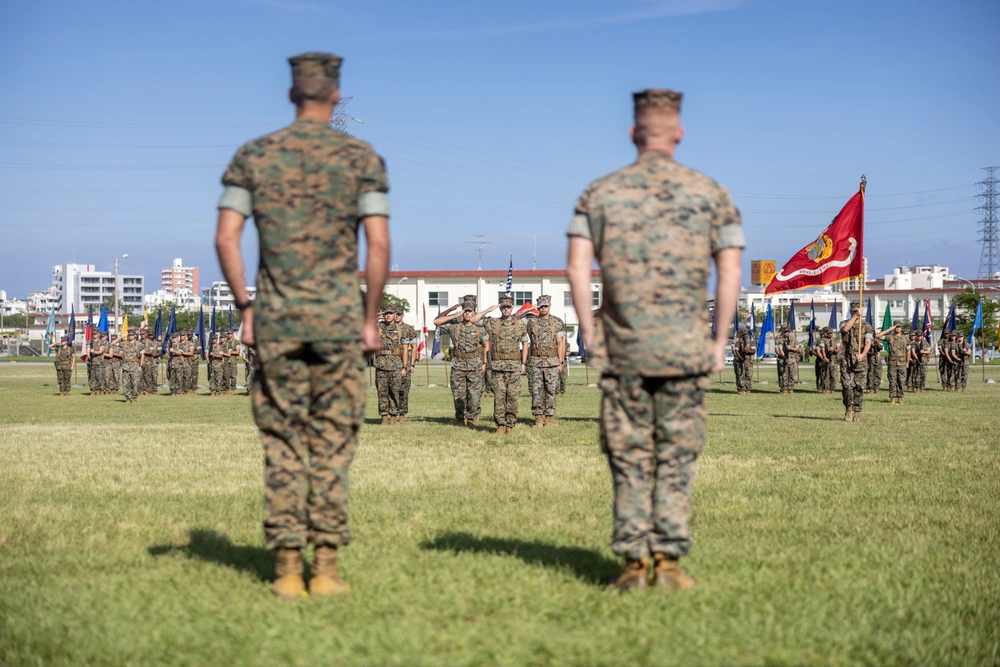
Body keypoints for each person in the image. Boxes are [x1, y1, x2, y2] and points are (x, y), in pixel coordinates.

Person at [215, 51, 390, 599]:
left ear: (292, 95)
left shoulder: (254, 156)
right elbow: (379, 244)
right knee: (333, 443)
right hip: (339, 322)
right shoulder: (362, 157)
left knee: (284, 442)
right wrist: (368, 318)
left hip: (277, 322)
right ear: (336, 95)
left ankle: (288, 569)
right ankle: (328, 567)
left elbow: (226, 238)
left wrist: (249, 309)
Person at [567, 88, 743, 591]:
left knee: (628, 457)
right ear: (679, 133)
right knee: (676, 455)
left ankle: (632, 564)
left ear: (632, 133)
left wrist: (588, 331)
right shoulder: (711, 192)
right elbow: (729, 273)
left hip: (622, 351)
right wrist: (719, 339)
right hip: (685, 351)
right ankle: (668, 560)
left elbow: (578, 267)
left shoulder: (599, 192)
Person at [472, 295, 529, 433]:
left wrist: (523, 362)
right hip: (497, 367)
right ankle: (500, 425)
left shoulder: (519, 324)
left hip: (514, 366)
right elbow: (473, 319)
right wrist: (489, 309)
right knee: (499, 397)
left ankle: (510, 425)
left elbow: (525, 344)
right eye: (503, 307)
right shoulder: (493, 323)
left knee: (513, 396)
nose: (505, 309)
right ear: (501, 308)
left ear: (512, 308)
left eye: (508, 307)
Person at [434, 297, 490, 425]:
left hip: (475, 364)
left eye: (469, 311)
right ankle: (460, 418)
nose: (467, 313)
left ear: (474, 312)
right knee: (458, 393)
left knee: (474, 394)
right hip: (458, 364)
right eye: (465, 311)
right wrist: (454, 313)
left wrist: (485, 362)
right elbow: (436, 321)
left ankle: (472, 417)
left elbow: (486, 345)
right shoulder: (454, 327)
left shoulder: (479, 328)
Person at [525, 295, 565, 426]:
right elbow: (516, 318)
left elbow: (560, 344)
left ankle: (549, 416)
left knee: (551, 389)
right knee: (536, 390)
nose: (543, 308)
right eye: (541, 306)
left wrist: (561, 362)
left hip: (552, 361)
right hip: (535, 361)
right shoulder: (531, 321)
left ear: (550, 306)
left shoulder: (557, 322)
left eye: (545, 306)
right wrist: (531, 309)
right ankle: (538, 416)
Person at [840, 302, 874, 421]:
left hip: (860, 361)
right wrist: (854, 316)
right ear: (851, 312)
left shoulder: (867, 326)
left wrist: (863, 354)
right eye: (853, 311)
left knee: (859, 387)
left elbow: (868, 342)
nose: (856, 313)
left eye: (858, 311)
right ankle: (848, 409)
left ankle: (857, 412)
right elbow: (845, 330)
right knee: (847, 386)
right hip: (846, 360)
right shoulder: (844, 323)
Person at [374, 304, 405, 425]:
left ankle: (393, 416)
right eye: (386, 313)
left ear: (394, 315)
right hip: (381, 365)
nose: (388, 316)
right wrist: (379, 315)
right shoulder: (379, 326)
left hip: (396, 365)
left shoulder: (401, 329)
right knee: (382, 392)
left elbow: (405, 348)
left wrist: (404, 366)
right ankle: (384, 417)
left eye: (390, 313)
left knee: (394, 391)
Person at [393, 305, 418, 423]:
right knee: (391, 389)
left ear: (402, 315)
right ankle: (392, 412)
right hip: (390, 362)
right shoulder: (387, 327)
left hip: (405, 363)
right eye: (395, 314)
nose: (396, 316)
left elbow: (413, 347)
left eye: (399, 314)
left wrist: (412, 364)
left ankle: (402, 413)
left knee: (404, 389)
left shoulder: (408, 329)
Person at [880, 321, 910, 405]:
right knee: (892, 381)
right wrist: (889, 329)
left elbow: (908, 350)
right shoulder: (890, 337)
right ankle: (892, 398)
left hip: (902, 362)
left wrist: (907, 361)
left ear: (901, 328)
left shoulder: (905, 338)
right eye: (896, 327)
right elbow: (878, 336)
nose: (898, 328)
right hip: (892, 362)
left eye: (899, 327)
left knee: (901, 381)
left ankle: (900, 398)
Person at [120, 330, 144, 403]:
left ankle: (134, 398)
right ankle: (127, 398)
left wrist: (141, 365)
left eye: (132, 335)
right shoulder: (124, 344)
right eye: (129, 335)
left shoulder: (139, 344)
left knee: (135, 383)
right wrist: (121, 337)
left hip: (135, 365)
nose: (130, 336)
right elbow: (112, 343)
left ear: (135, 336)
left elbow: (142, 355)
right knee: (126, 383)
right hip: (126, 366)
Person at [732, 327, 753, 395]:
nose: (745, 336)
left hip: (748, 360)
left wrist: (748, 350)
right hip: (740, 360)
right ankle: (741, 388)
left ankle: (748, 388)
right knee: (740, 375)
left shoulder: (751, 341)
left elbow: (753, 351)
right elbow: (736, 351)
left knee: (749, 375)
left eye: (746, 334)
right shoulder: (738, 341)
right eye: (743, 334)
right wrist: (741, 358)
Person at [779, 327, 800, 394]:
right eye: (785, 332)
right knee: (784, 374)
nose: (787, 333)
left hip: (792, 358)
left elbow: (797, 349)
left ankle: (791, 388)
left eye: (788, 331)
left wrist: (791, 348)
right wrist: (785, 357)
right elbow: (780, 349)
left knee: (792, 374)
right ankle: (784, 388)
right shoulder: (780, 340)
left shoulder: (794, 340)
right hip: (784, 358)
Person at [141, 330, 161, 395]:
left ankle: (154, 389)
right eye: (149, 335)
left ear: (154, 335)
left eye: (151, 335)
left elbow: (160, 352)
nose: (150, 336)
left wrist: (154, 355)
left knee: (154, 376)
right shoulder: (145, 342)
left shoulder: (157, 343)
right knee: (146, 376)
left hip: (154, 361)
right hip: (147, 361)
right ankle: (147, 389)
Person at [813, 328, 830, 393]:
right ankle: (819, 387)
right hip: (820, 360)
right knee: (819, 374)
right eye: (821, 334)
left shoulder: (829, 341)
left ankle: (826, 387)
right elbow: (813, 350)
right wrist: (821, 357)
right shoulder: (817, 342)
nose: (822, 335)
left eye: (823, 333)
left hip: (828, 359)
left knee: (827, 374)